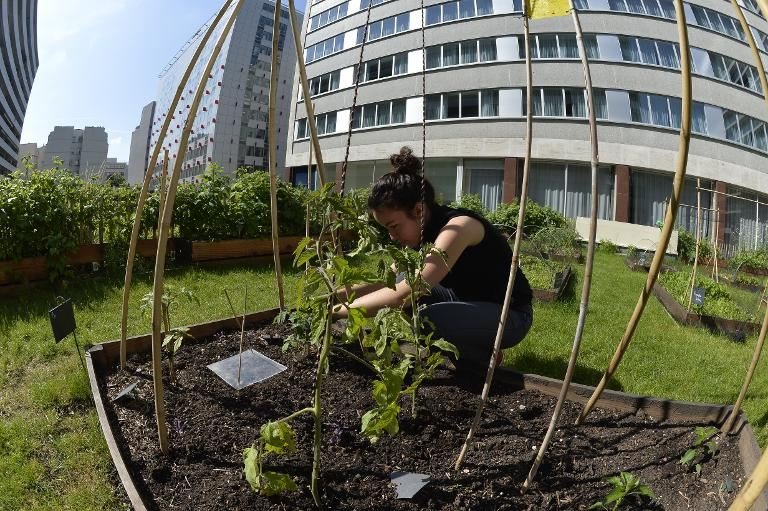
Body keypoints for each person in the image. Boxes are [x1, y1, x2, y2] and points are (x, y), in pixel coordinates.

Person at [334, 146, 533, 368]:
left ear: (418, 211)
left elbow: (406, 293)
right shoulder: (422, 230)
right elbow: (386, 283)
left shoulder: (458, 228)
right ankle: (469, 346)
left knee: (427, 320)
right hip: (465, 300)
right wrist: (333, 298)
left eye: (394, 226)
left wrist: (338, 313)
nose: (391, 236)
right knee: (402, 278)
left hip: (510, 314)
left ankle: (480, 359)